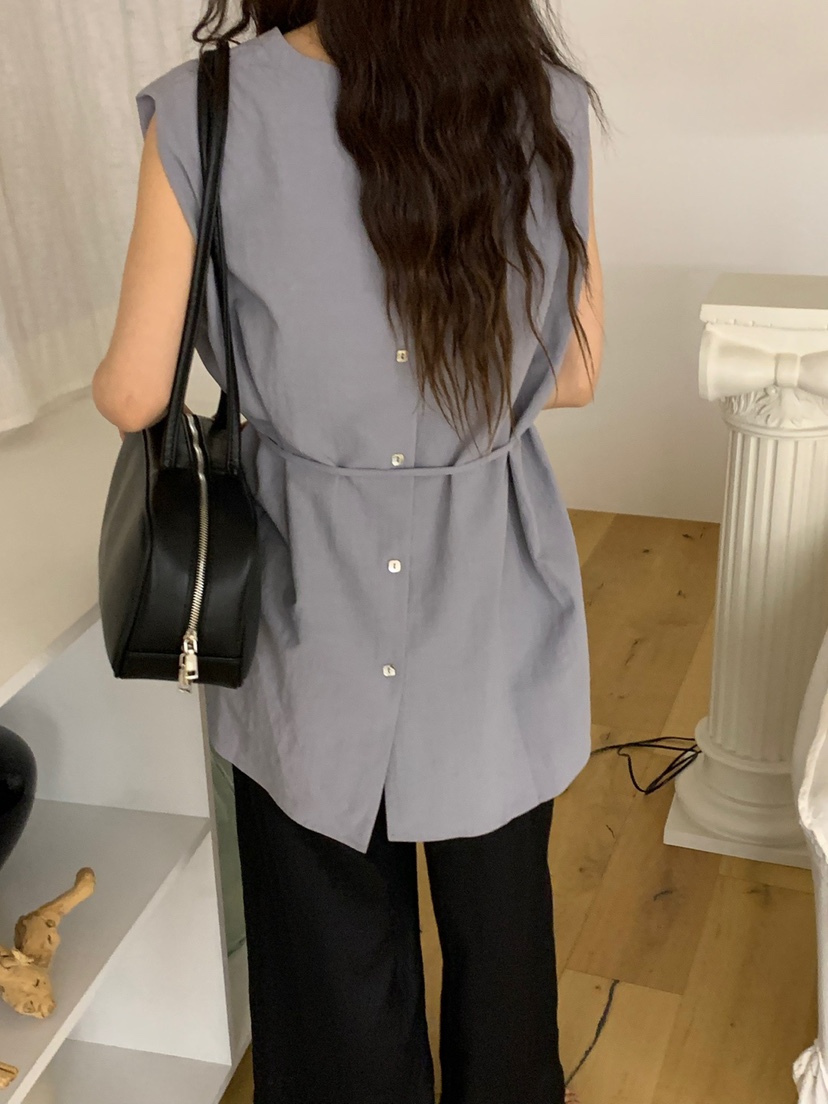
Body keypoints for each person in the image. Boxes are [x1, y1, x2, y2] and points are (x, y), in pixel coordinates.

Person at [92, 3, 604, 1102]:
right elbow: (576, 371)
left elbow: (134, 392)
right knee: (503, 940)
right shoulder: (543, 99)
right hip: (490, 602)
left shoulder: (207, 106)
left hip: (304, 601)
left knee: (328, 957)